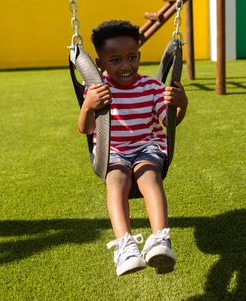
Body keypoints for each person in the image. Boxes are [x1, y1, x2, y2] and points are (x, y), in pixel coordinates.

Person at [77, 20, 188, 276]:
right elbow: (86, 129)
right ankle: (125, 246)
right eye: (115, 60)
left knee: (150, 176)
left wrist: (181, 105)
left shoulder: (151, 87)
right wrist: (88, 105)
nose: (126, 66)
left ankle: (160, 239)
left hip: (147, 146)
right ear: (100, 62)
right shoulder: (97, 91)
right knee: (116, 181)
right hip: (112, 151)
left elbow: (168, 122)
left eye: (132, 57)